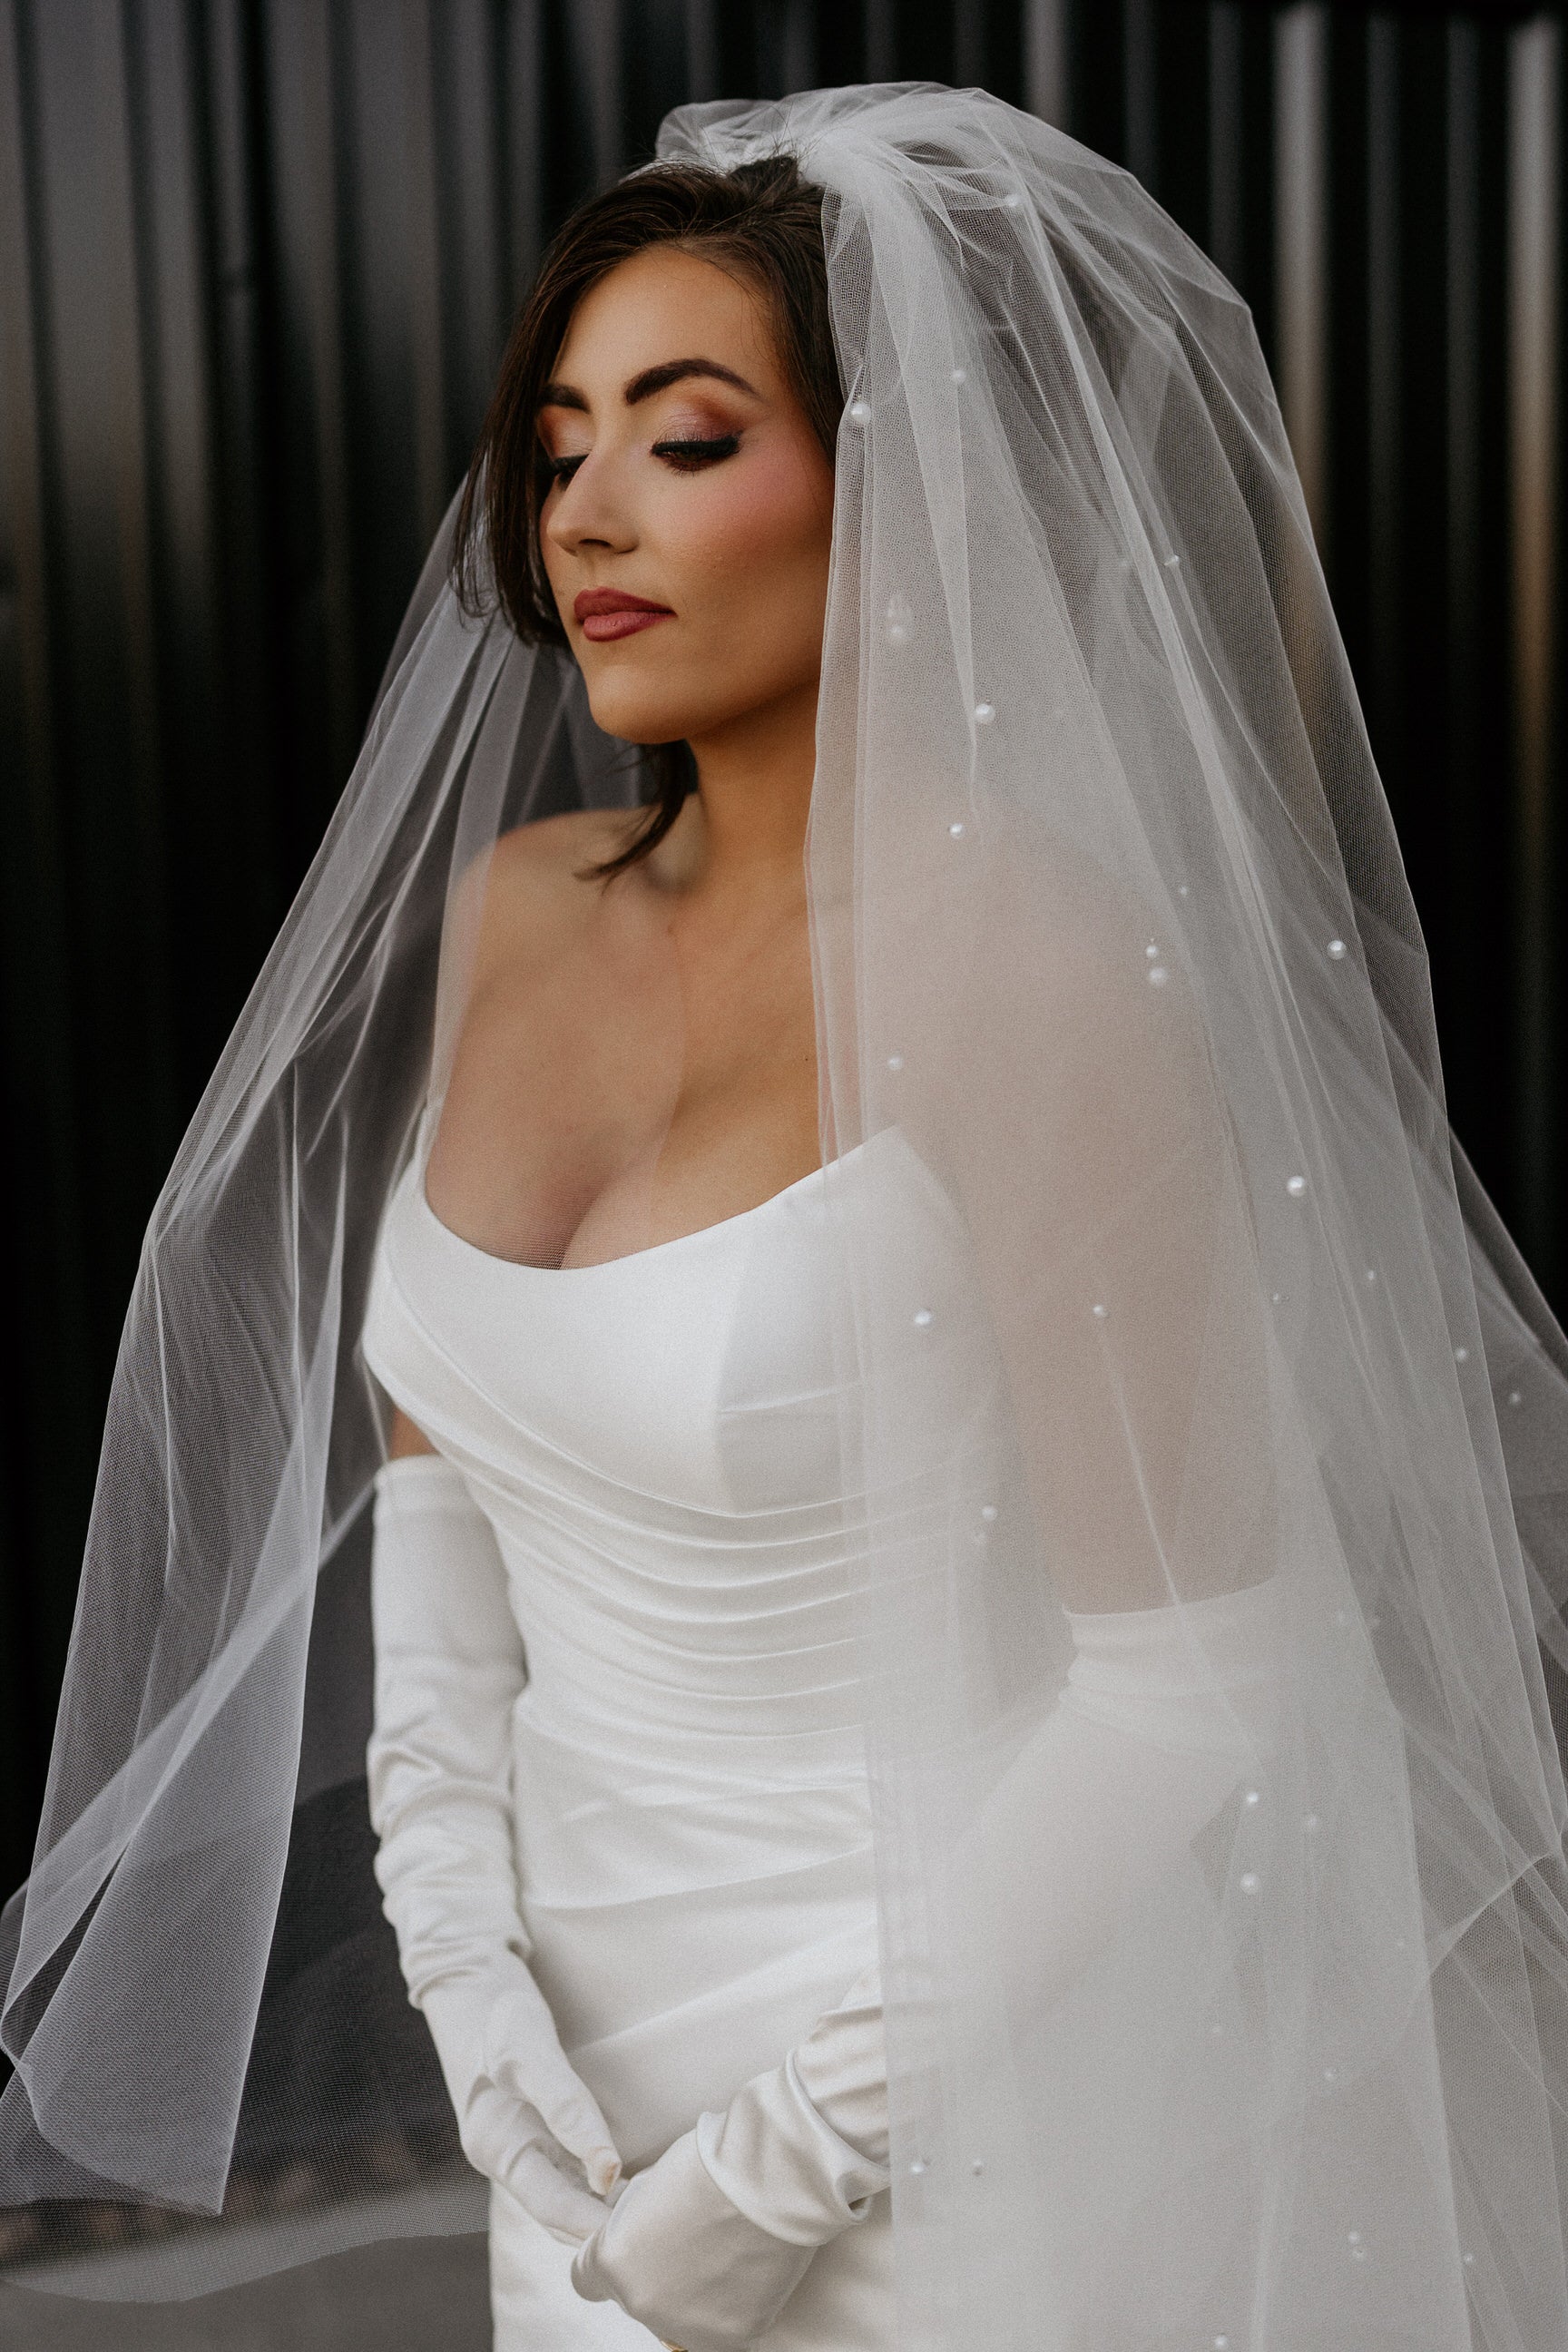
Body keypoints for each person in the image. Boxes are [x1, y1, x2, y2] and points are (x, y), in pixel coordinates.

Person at [6, 81, 1568, 2352]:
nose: (588, 515)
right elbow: (442, 1488)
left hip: (963, 2136)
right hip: (577, 2125)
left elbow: (1203, 1665)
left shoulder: (1030, 976)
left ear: (900, 488)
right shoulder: (517, 913)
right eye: (558, 447)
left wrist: (791, 2161)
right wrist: (468, 1984)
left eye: (689, 435)